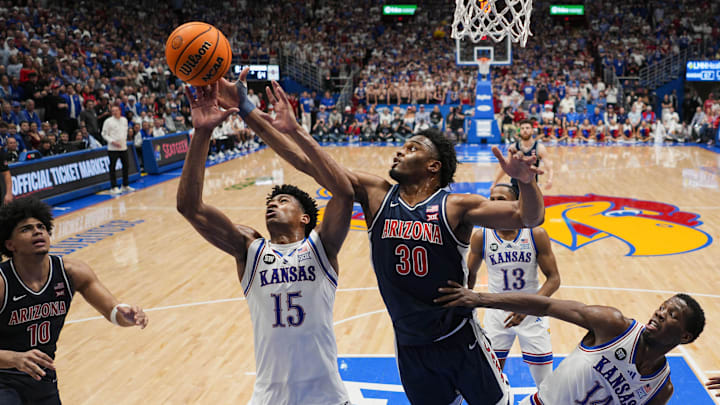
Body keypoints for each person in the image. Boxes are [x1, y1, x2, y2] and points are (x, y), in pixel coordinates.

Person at [216, 72, 546, 405]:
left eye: (412, 148)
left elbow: (527, 217)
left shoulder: (455, 205)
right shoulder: (377, 196)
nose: (400, 153)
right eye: (402, 147)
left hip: (460, 339)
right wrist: (247, 109)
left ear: (433, 166)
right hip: (410, 346)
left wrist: (527, 183)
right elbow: (305, 161)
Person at [176, 82, 353, 405]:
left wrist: (297, 131)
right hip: (269, 397)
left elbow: (343, 192)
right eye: (271, 202)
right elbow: (190, 208)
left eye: (284, 201)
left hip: (326, 396)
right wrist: (201, 133)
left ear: (304, 218)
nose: (273, 204)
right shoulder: (250, 248)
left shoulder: (321, 247)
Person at [436, 286, 705, 405]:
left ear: (684, 336)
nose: (659, 313)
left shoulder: (661, 388)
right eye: (662, 307)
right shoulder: (613, 325)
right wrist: (480, 298)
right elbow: (547, 305)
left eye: (672, 315)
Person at [0, 197, 148, 404]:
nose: (37, 231)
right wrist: (12, 359)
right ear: (10, 244)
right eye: (26, 229)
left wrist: (127, 316)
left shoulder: (73, 272)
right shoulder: (2, 282)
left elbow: (113, 312)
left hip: (42, 376)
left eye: (41, 226)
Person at [467, 184, 560, 387]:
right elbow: (469, 274)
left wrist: (530, 306)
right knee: (490, 379)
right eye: (491, 199)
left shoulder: (535, 234)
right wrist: (465, 304)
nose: (495, 204)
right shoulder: (481, 236)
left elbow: (554, 279)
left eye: (501, 199)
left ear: (516, 204)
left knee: (545, 383)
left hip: (532, 312)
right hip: (497, 313)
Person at [492, 119, 553, 192]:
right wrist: (495, 183)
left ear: (532, 131)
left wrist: (550, 180)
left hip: (531, 185)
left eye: (527, 128)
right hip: (515, 186)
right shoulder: (513, 147)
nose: (525, 130)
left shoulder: (539, 148)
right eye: (522, 128)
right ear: (519, 131)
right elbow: (506, 167)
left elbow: (549, 167)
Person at [101, 105, 133, 194]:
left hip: (123, 147)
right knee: (112, 167)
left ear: (120, 111)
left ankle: (125, 185)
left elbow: (125, 131)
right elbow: (104, 134)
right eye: (113, 111)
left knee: (126, 166)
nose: (114, 112)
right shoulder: (108, 121)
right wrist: (112, 141)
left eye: (116, 110)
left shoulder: (124, 120)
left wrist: (124, 140)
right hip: (112, 148)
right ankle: (113, 186)